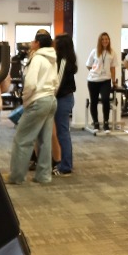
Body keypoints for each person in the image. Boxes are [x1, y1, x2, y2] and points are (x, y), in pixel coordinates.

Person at [8, 30, 58, 186]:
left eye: (33, 41)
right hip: (50, 100)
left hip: (38, 101)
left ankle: (16, 177)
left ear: (37, 43)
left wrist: (25, 99)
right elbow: (56, 82)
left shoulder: (37, 59)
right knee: (44, 140)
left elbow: (30, 84)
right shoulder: (52, 59)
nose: (30, 44)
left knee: (22, 139)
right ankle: (43, 176)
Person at [50, 33, 77, 177]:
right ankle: (63, 163)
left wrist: (49, 97)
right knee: (61, 132)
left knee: (62, 133)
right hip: (63, 98)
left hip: (62, 99)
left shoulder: (64, 61)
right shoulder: (63, 60)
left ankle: (66, 166)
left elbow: (57, 84)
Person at [86, 31, 118, 134]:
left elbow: (113, 68)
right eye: (103, 39)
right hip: (93, 80)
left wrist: (114, 81)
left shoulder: (112, 52)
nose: (105, 41)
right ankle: (96, 123)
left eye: (106, 39)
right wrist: (95, 71)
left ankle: (106, 123)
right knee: (94, 101)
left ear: (109, 41)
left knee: (105, 100)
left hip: (106, 80)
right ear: (100, 41)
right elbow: (88, 65)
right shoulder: (94, 51)